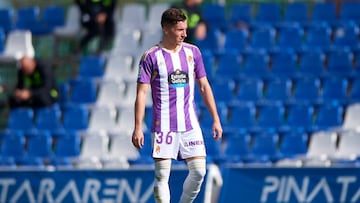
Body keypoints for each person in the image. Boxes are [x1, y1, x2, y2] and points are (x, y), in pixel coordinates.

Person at [132, 8, 222, 203]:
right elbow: (141, 93)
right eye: (180, 30)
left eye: (185, 29)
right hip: (163, 125)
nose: (185, 34)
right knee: (162, 176)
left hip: (190, 123)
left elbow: (204, 86)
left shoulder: (193, 52)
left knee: (199, 172)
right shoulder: (151, 57)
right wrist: (138, 127)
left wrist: (215, 118)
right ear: (166, 29)